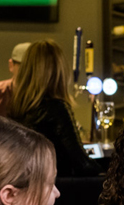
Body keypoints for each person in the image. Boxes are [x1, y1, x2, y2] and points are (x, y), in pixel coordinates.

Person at [10, 39, 101, 177]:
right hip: (57, 191)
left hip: (30, 190)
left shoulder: (16, 108)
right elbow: (82, 164)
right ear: (59, 72)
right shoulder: (56, 109)